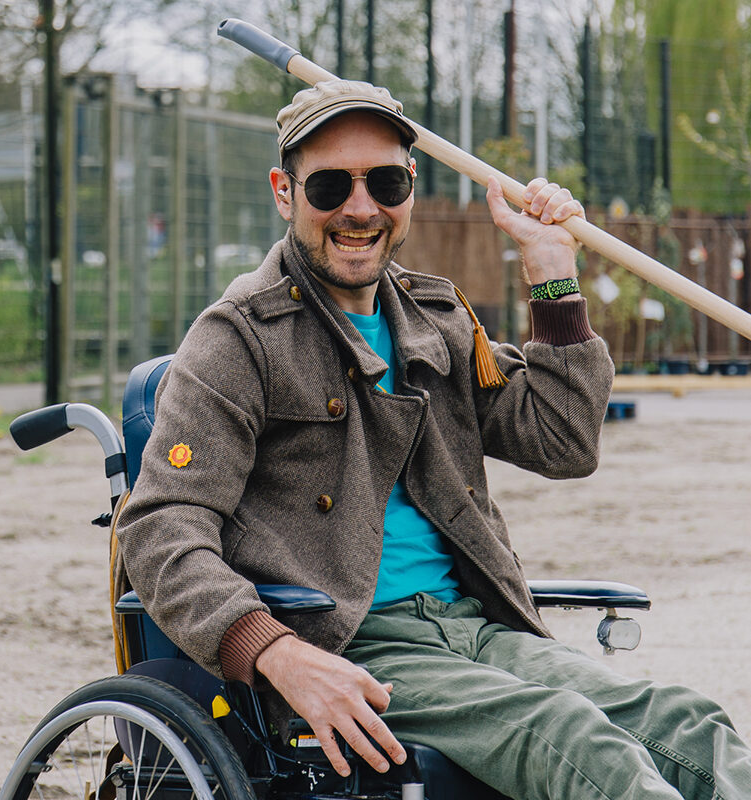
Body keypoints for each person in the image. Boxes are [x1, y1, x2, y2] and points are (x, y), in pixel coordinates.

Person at [116, 80, 751, 800]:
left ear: (409, 187)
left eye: (383, 181)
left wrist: (551, 273)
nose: (360, 208)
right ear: (284, 192)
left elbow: (561, 442)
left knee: (688, 724)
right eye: (329, 186)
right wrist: (278, 653)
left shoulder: (436, 318)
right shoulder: (237, 339)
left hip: (475, 630)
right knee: (577, 744)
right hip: (349, 647)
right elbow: (161, 532)